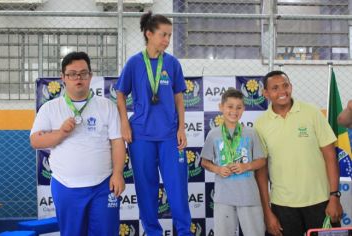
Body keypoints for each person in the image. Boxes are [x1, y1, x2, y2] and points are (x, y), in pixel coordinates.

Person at [30, 51, 126, 236]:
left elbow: (117, 142)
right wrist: (61, 133)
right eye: (72, 74)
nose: (78, 78)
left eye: (83, 73)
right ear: (63, 78)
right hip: (66, 186)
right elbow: (35, 140)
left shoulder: (107, 106)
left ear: (90, 76)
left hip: (103, 186)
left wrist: (118, 174)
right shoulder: (50, 108)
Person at [115, 11, 192, 236]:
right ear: (149, 34)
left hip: (169, 136)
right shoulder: (135, 62)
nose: (167, 40)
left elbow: (179, 97)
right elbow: (120, 93)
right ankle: (152, 232)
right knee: (146, 190)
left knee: (177, 189)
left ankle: (184, 232)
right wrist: (124, 123)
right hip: (141, 136)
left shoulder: (173, 63)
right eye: (163, 35)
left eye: (169, 35)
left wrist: (181, 128)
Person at [254, 70, 343, 236]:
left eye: (285, 86)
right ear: (266, 93)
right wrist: (267, 212)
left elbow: (330, 157)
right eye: (275, 88)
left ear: (291, 87)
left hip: (321, 202)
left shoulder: (312, 113)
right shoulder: (260, 124)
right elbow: (261, 172)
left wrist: (334, 197)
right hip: (282, 206)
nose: (282, 91)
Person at [200, 88, 266, 236]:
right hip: (224, 198)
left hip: (249, 196)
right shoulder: (213, 134)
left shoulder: (251, 132)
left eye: (239, 107)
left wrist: (246, 166)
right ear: (221, 107)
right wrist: (217, 169)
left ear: (244, 109)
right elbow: (204, 162)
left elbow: (261, 160)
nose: (234, 111)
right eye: (230, 107)